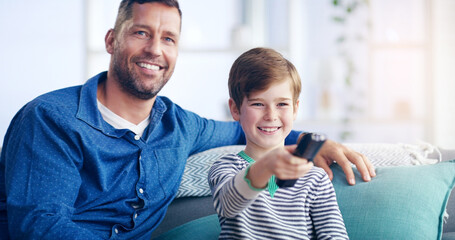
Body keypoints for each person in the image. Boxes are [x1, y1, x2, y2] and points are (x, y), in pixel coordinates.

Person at [0, 0, 373, 239]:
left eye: (169, 39)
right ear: (112, 40)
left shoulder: (179, 126)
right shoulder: (50, 119)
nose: (154, 49)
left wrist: (317, 142)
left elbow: (255, 128)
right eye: (141, 33)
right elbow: (40, 227)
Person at [209, 47, 349, 239]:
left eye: (282, 104)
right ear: (235, 109)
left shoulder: (315, 179)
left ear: (294, 109)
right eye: (257, 104)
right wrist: (266, 166)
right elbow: (228, 204)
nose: (271, 116)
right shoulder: (226, 167)